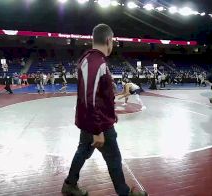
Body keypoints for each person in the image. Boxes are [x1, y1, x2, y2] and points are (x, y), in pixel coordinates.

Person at [62, 24, 147, 196]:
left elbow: (99, 96)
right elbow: (89, 97)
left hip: (91, 121)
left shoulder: (90, 60)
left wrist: (110, 113)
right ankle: (125, 193)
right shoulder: (96, 62)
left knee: (83, 151)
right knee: (114, 158)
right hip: (98, 124)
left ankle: (70, 184)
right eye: (112, 42)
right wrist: (97, 129)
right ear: (109, 40)